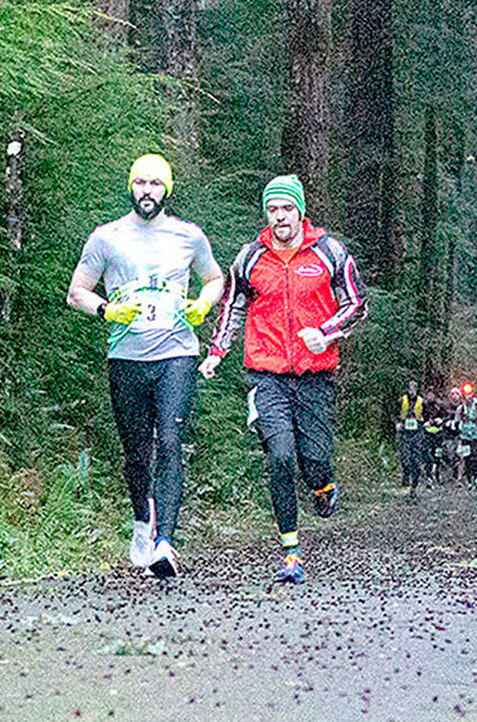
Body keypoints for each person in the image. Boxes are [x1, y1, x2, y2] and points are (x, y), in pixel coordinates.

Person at [201, 174, 367, 584]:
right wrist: (217, 352)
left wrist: (325, 333)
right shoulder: (250, 258)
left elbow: (357, 303)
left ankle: (323, 486)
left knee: (315, 461)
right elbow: (232, 307)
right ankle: (290, 552)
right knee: (279, 456)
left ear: (301, 211)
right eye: (272, 210)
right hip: (266, 374)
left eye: (287, 209)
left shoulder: (330, 252)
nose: (279, 218)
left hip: (316, 375)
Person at [66, 154, 224, 579]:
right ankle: (142, 520)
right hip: (126, 358)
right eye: (140, 182)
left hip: (176, 353)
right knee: (137, 452)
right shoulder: (107, 238)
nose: (147, 191)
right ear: (130, 187)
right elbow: (76, 291)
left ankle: (165, 542)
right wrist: (106, 311)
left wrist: (203, 305)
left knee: (170, 441)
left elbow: (215, 277)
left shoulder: (188, 236)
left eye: (156, 183)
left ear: (167, 189)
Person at [397, 380, 425, 495]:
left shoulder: (422, 401)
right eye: (410, 388)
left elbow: (428, 414)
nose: (412, 391)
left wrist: (428, 422)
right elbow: (393, 412)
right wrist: (397, 423)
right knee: (404, 457)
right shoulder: (401, 400)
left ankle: (414, 484)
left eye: (414, 388)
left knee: (416, 459)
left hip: (417, 432)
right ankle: (406, 474)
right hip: (405, 432)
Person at [455, 388, 477, 487]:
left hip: (475, 436)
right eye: (466, 395)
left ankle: (475, 478)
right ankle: (468, 480)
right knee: (466, 458)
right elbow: (457, 421)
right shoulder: (460, 408)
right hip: (464, 436)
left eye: (470, 394)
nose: (468, 397)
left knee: (475, 457)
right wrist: (460, 429)